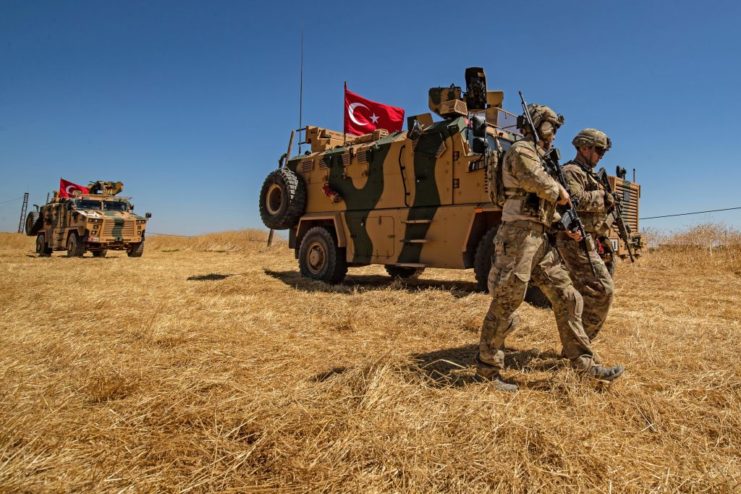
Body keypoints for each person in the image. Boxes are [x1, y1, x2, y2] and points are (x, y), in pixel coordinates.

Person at [476, 105, 624, 391]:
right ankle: (488, 370)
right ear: (537, 125)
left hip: (541, 238)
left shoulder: (541, 156)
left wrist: (563, 224)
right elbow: (537, 182)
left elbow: (544, 205)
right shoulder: (521, 151)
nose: (555, 134)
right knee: (507, 301)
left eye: (556, 129)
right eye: (551, 127)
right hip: (518, 236)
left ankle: (583, 363)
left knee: (568, 297)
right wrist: (561, 193)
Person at [556, 129, 616, 342]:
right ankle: (581, 345)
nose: (600, 155)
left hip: (591, 239)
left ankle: (579, 346)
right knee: (602, 291)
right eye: (598, 150)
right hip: (575, 240)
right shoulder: (571, 171)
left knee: (588, 295)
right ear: (583, 147)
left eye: (603, 152)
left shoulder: (590, 175)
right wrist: (602, 196)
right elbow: (574, 199)